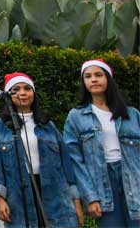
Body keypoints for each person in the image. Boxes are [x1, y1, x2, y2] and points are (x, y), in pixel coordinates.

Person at [0, 72, 83, 228]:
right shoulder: (1, 127)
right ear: (8, 95)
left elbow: (66, 163)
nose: (22, 93)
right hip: (19, 195)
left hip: (54, 193)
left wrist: (76, 200)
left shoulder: (47, 125)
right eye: (16, 89)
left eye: (27, 88)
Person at [64, 59, 140, 227]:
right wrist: (90, 196)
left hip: (134, 181)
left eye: (98, 75)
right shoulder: (76, 117)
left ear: (108, 79)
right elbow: (74, 160)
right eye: (88, 76)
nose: (93, 80)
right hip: (102, 184)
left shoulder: (132, 114)